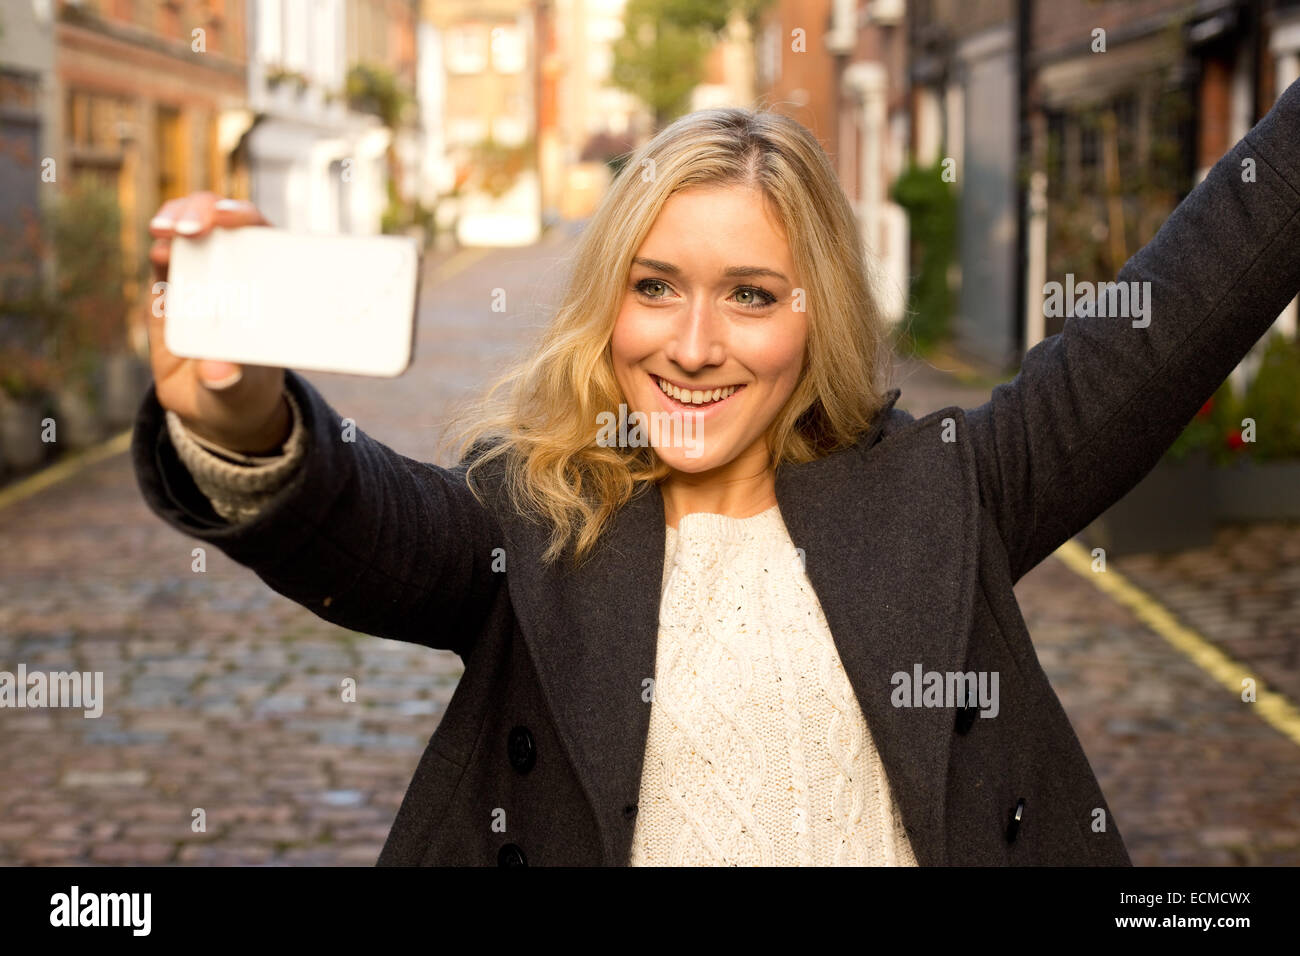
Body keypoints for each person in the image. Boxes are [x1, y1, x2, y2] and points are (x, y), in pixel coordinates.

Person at [133, 79, 1300, 866]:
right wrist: (243, 410)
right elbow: (356, 515)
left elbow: (1182, 304)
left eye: (749, 294)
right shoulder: (533, 514)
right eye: (654, 287)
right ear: (609, 304)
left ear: (816, 314)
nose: (692, 345)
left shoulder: (951, 490)